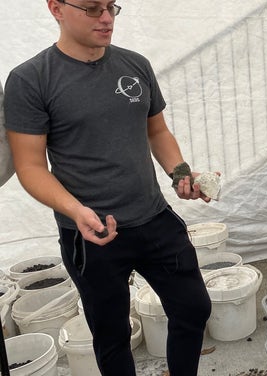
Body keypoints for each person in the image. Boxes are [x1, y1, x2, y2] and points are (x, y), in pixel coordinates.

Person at [3, 1, 212, 375]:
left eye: (111, 8)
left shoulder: (134, 65)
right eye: (92, 8)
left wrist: (179, 172)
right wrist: (76, 210)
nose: (105, 18)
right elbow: (30, 166)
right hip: (92, 232)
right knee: (112, 334)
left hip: (154, 218)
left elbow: (157, 131)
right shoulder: (30, 79)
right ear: (56, 8)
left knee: (194, 308)